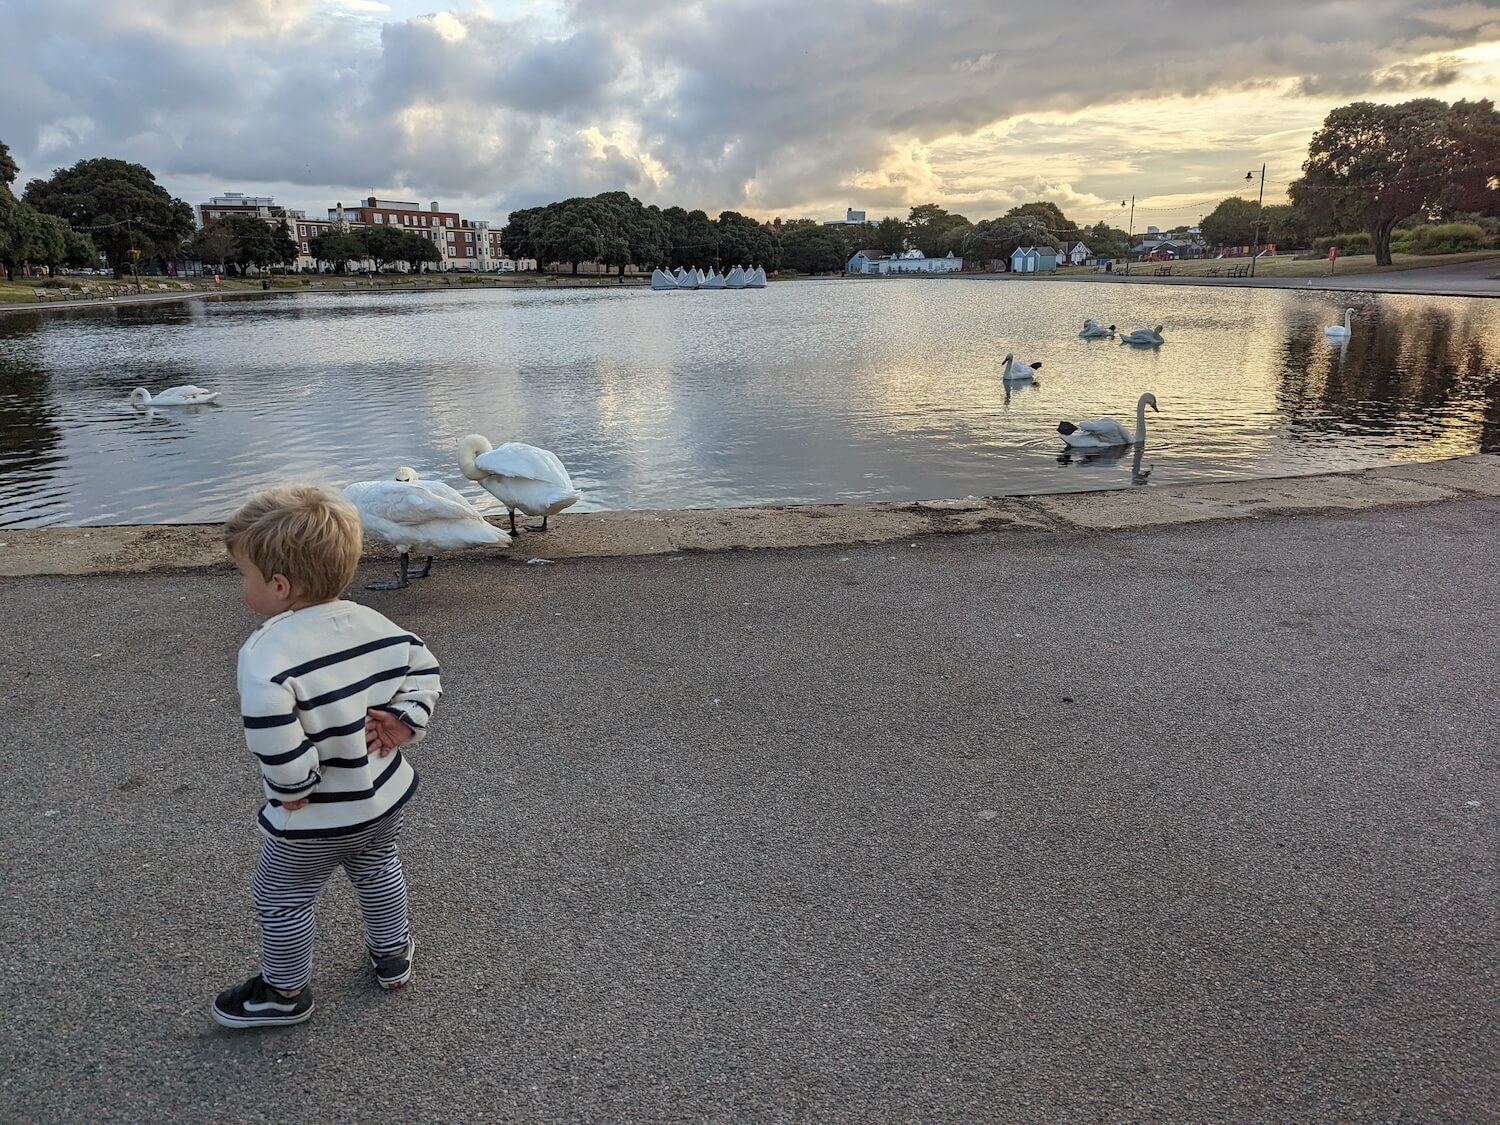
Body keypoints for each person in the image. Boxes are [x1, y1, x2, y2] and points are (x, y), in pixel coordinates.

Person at [212, 485, 443, 1029]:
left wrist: (294, 787)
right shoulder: (376, 624)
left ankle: (285, 992)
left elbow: (273, 732)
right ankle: (392, 954)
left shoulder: (266, 654)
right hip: (382, 796)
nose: (243, 586)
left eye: (244, 575)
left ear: (278, 584)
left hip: (315, 815)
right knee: (377, 866)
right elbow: (425, 670)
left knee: (282, 895)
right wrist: (405, 721)